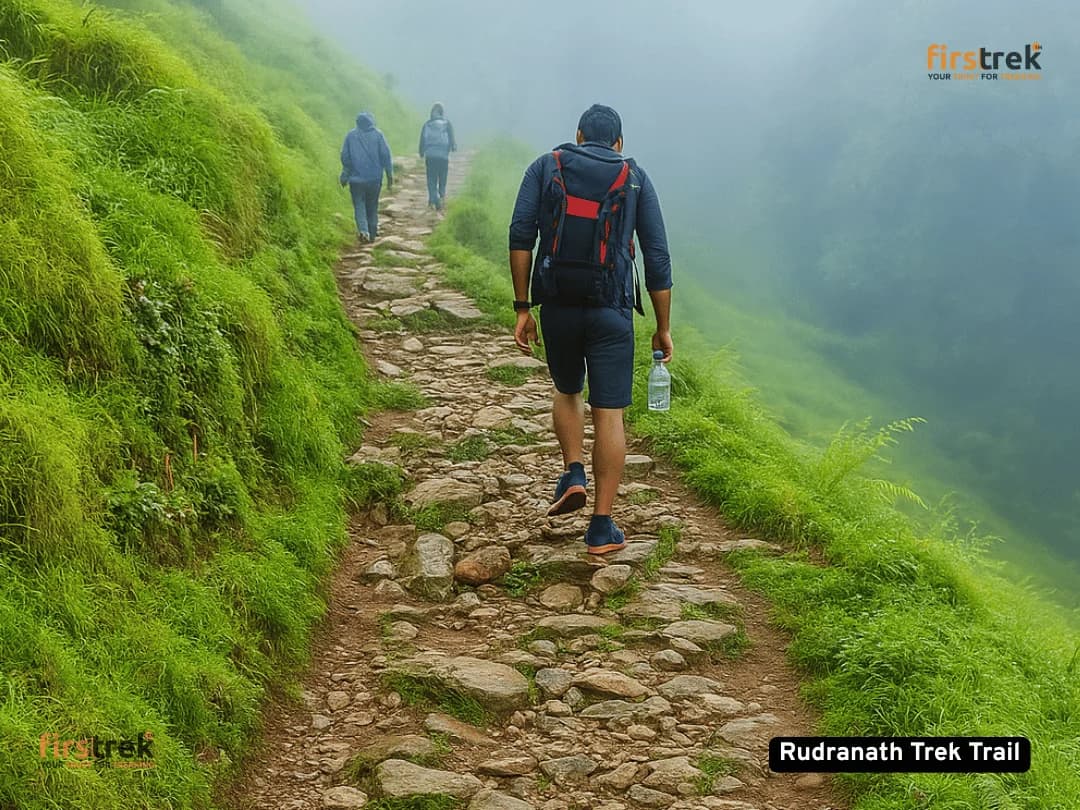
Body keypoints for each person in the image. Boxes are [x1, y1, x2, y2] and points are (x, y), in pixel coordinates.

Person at [508, 104, 674, 555]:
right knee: (610, 413)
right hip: (613, 309)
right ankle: (601, 526)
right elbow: (656, 257)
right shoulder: (635, 176)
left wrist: (523, 307)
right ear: (619, 143)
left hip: (558, 304)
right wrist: (663, 328)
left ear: (579, 135)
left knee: (567, 391)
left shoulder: (546, 166)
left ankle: (573, 471)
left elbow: (521, 234)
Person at [340, 112, 393, 242]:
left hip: (356, 179)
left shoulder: (351, 136)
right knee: (372, 205)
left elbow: (345, 157)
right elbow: (386, 156)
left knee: (359, 205)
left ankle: (364, 231)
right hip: (374, 178)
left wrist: (345, 175)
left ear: (357, 122)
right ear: (371, 122)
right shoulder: (378, 135)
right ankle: (373, 231)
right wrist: (389, 176)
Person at [418, 103, 456, 210]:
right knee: (442, 178)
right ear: (442, 113)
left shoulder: (427, 124)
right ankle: (441, 196)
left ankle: (433, 198)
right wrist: (453, 147)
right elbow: (452, 140)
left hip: (430, 156)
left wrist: (421, 152)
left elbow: (422, 140)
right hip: (443, 157)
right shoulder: (447, 124)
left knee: (431, 179)